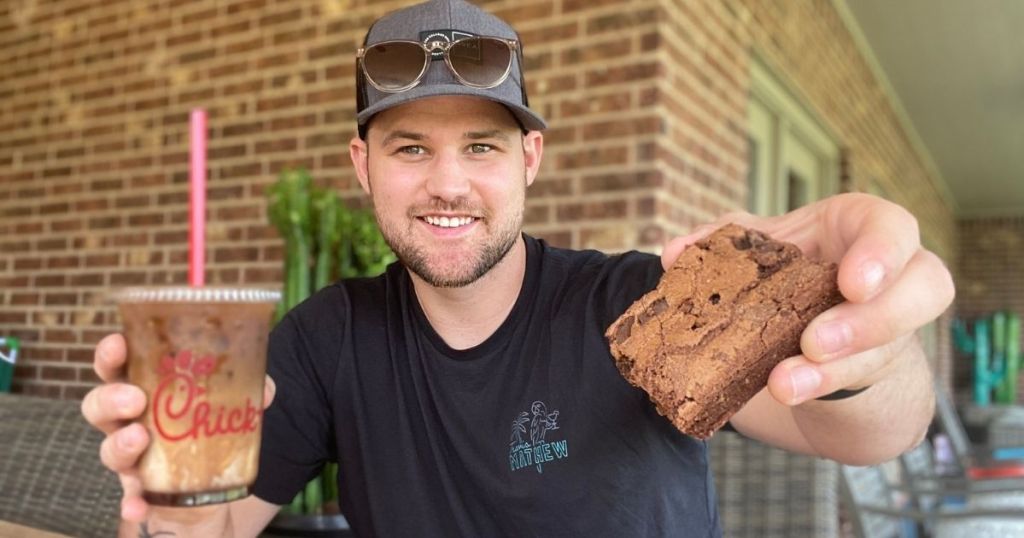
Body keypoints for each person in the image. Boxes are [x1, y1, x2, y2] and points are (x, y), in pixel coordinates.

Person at [82, 0, 955, 536]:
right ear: (362, 166)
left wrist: (863, 348)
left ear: (530, 158)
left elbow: (874, 433)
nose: (448, 183)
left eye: (483, 147)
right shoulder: (328, 338)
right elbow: (221, 526)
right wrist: (168, 509)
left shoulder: (636, 305)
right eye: (411, 147)